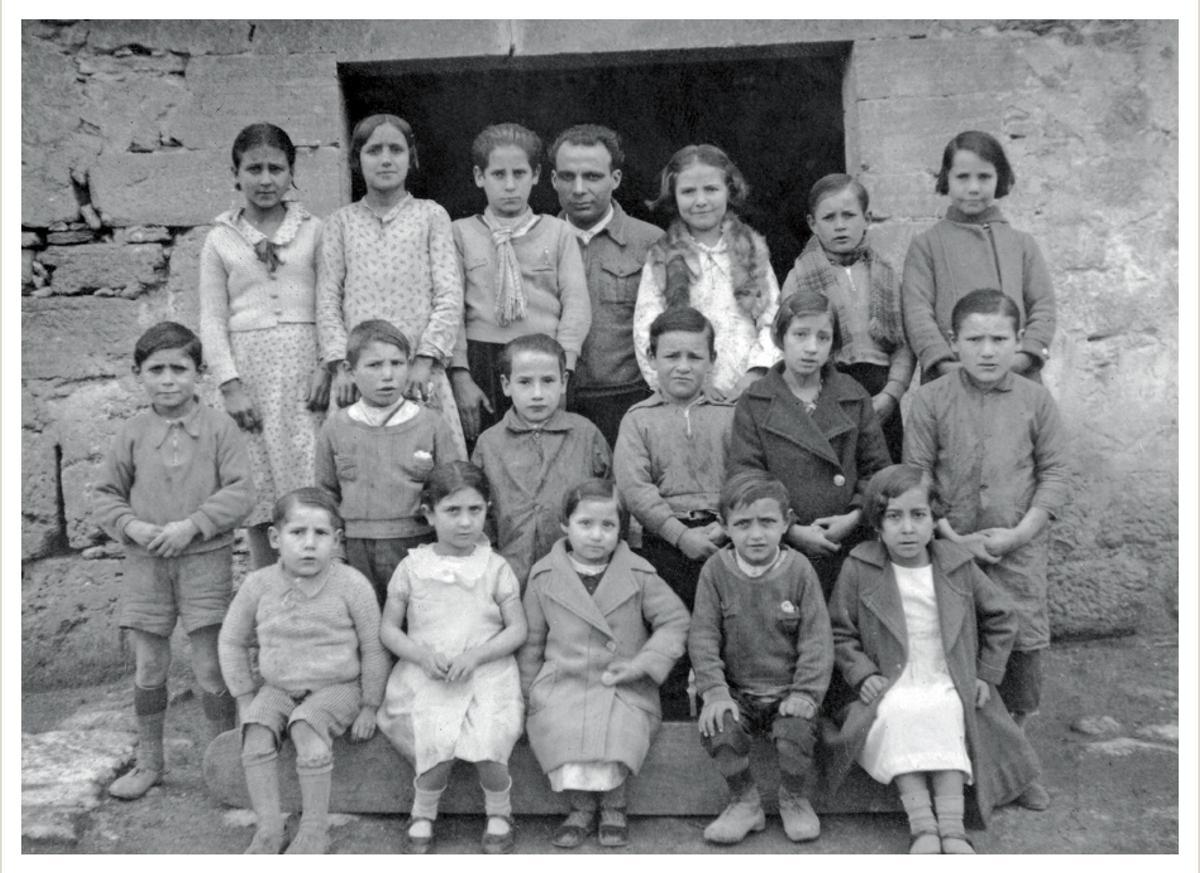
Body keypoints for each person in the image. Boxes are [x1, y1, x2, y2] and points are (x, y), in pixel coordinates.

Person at [903, 288, 1069, 812]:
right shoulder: (930, 401)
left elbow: (1056, 472)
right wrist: (949, 534)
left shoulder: (1035, 399)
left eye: (1000, 339)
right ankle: (958, 761)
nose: (988, 351)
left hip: (1018, 550)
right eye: (975, 339)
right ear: (954, 343)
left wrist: (1021, 532)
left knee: (1019, 653)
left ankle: (1016, 766)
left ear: (1019, 342)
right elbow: (918, 475)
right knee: (958, 650)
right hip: (952, 550)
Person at [826, 465, 1042, 853]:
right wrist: (861, 673)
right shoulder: (861, 566)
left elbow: (1002, 618)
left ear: (934, 520)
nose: (907, 528)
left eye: (918, 515)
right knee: (897, 712)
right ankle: (923, 827)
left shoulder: (955, 563)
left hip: (947, 674)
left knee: (947, 710)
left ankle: (953, 829)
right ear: (877, 525)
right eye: (894, 517)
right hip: (892, 678)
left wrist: (985, 675)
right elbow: (840, 632)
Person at [93, 322, 255, 800]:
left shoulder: (221, 427)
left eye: (179, 369)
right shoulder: (132, 432)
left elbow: (242, 491)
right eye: (156, 369)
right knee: (148, 665)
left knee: (209, 665)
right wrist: (133, 527)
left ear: (199, 373)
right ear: (138, 375)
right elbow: (105, 495)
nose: (168, 379)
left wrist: (192, 525)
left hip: (204, 558)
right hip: (147, 564)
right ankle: (150, 763)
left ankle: (219, 766)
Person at [519, 479, 689, 849]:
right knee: (559, 724)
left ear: (621, 529)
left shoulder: (639, 573)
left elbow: (675, 620)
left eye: (608, 526)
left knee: (619, 729)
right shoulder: (544, 575)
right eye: (585, 524)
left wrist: (643, 664)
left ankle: (615, 805)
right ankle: (580, 807)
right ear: (565, 525)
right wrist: (529, 692)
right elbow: (532, 640)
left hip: (621, 681)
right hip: (562, 680)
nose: (596, 535)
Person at [218, 488, 387, 854]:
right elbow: (231, 640)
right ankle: (268, 828)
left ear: (337, 541)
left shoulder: (352, 585)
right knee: (257, 730)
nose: (309, 545)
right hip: (278, 688)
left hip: (337, 687)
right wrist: (245, 697)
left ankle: (313, 831)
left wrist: (370, 704)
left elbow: (374, 646)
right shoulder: (258, 585)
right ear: (276, 538)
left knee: (306, 726)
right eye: (297, 533)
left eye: (321, 534)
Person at [376, 462, 528, 854]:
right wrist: (421, 655)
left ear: (487, 510)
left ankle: (499, 812)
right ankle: (423, 812)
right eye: (452, 511)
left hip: (486, 671)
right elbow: (389, 629)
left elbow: (517, 629)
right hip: (429, 673)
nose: (465, 522)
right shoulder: (412, 567)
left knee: (491, 741)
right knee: (434, 738)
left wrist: (477, 655)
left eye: (475, 511)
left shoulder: (495, 568)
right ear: (429, 513)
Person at [199, 122, 328, 568]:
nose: (266, 179)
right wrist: (230, 385)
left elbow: (330, 301)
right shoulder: (219, 239)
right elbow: (212, 319)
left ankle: (323, 588)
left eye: (276, 168)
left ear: (292, 173)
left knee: (310, 474)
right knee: (257, 485)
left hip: (304, 369)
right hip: (250, 373)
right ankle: (265, 590)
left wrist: (327, 365)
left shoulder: (314, 231)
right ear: (235, 174)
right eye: (254, 169)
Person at [688, 471, 832, 845]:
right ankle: (744, 801)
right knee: (719, 728)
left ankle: (794, 798)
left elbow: (817, 640)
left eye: (767, 522)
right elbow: (703, 636)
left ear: (787, 522)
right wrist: (715, 692)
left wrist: (805, 693)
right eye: (743, 524)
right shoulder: (715, 571)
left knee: (796, 734)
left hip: (788, 690)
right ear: (724, 527)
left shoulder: (799, 569)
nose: (756, 534)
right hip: (738, 690)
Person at [316, 113, 466, 455]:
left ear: (411, 158)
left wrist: (425, 361)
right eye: (374, 151)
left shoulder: (431, 215)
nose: (385, 160)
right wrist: (342, 367)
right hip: (360, 376)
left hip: (418, 373)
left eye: (396, 150)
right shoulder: (339, 223)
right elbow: (327, 300)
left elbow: (448, 295)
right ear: (356, 160)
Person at [729, 291, 892, 599]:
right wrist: (789, 529)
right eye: (800, 335)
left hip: (847, 543)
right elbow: (745, 477)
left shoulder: (853, 396)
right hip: (779, 546)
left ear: (833, 345)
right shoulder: (755, 401)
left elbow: (878, 471)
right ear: (780, 338)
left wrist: (854, 517)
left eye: (823, 337)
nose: (811, 348)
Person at [613, 306, 732, 718]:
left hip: (725, 542)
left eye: (695, 357)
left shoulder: (730, 414)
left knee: (726, 635)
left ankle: (728, 723)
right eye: (671, 356)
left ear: (712, 361)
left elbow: (748, 473)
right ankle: (673, 729)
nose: (683, 367)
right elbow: (636, 490)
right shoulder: (638, 420)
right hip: (664, 546)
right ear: (651, 358)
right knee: (671, 635)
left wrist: (723, 527)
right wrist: (680, 536)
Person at [450, 122, 591, 442]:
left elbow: (576, 305)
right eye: (499, 175)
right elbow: (452, 308)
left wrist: (564, 369)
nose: (510, 185)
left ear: (537, 175)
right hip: (481, 361)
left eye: (520, 173)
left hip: (545, 359)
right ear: (478, 176)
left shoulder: (558, 232)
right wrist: (461, 375)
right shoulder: (461, 233)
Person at [315, 319, 463, 605]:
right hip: (357, 549)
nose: (387, 375)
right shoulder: (335, 428)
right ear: (350, 370)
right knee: (366, 621)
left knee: (415, 621)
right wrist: (335, 551)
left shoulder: (431, 425)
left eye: (397, 364)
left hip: (418, 544)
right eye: (374, 365)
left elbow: (451, 490)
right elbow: (325, 495)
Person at [902, 130, 1056, 383]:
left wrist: (1025, 357)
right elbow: (917, 313)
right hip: (951, 379)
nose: (973, 188)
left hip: (1016, 377)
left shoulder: (1021, 244)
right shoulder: (926, 245)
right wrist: (943, 363)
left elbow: (1043, 306)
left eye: (984, 177)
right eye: (962, 177)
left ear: (999, 178)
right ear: (946, 179)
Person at [780, 173, 914, 462]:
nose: (840, 225)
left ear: (866, 218)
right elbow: (791, 344)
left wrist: (892, 394)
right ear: (812, 224)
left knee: (884, 478)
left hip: (880, 393)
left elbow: (904, 343)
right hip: (827, 391)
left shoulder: (887, 276)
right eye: (829, 218)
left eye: (849, 215)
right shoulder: (799, 277)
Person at [633, 144, 781, 403]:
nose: (701, 201)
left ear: (729, 190)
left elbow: (773, 319)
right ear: (674, 195)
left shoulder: (751, 250)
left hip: (751, 393)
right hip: (688, 394)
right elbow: (646, 328)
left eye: (711, 189)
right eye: (688, 191)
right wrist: (682, 387)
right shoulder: (663, 256)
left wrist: (755, 375)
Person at [549, 124, 665, 447]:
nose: (579, 188)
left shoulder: (651, 242)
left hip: (629, 399)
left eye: (593, 176)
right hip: (554, 400)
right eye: (568, 177)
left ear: (615, 179)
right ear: (554, 181)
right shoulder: (538, 240)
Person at [471, 333, 612, 587]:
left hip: (578, 570)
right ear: (506, 384)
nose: (537, 393)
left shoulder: (585, 433)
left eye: (548, 381)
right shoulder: (489, 443)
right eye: (524, 382)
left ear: (563, 382)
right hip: (510, 572)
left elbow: (612, 496)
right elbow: (478, 508)